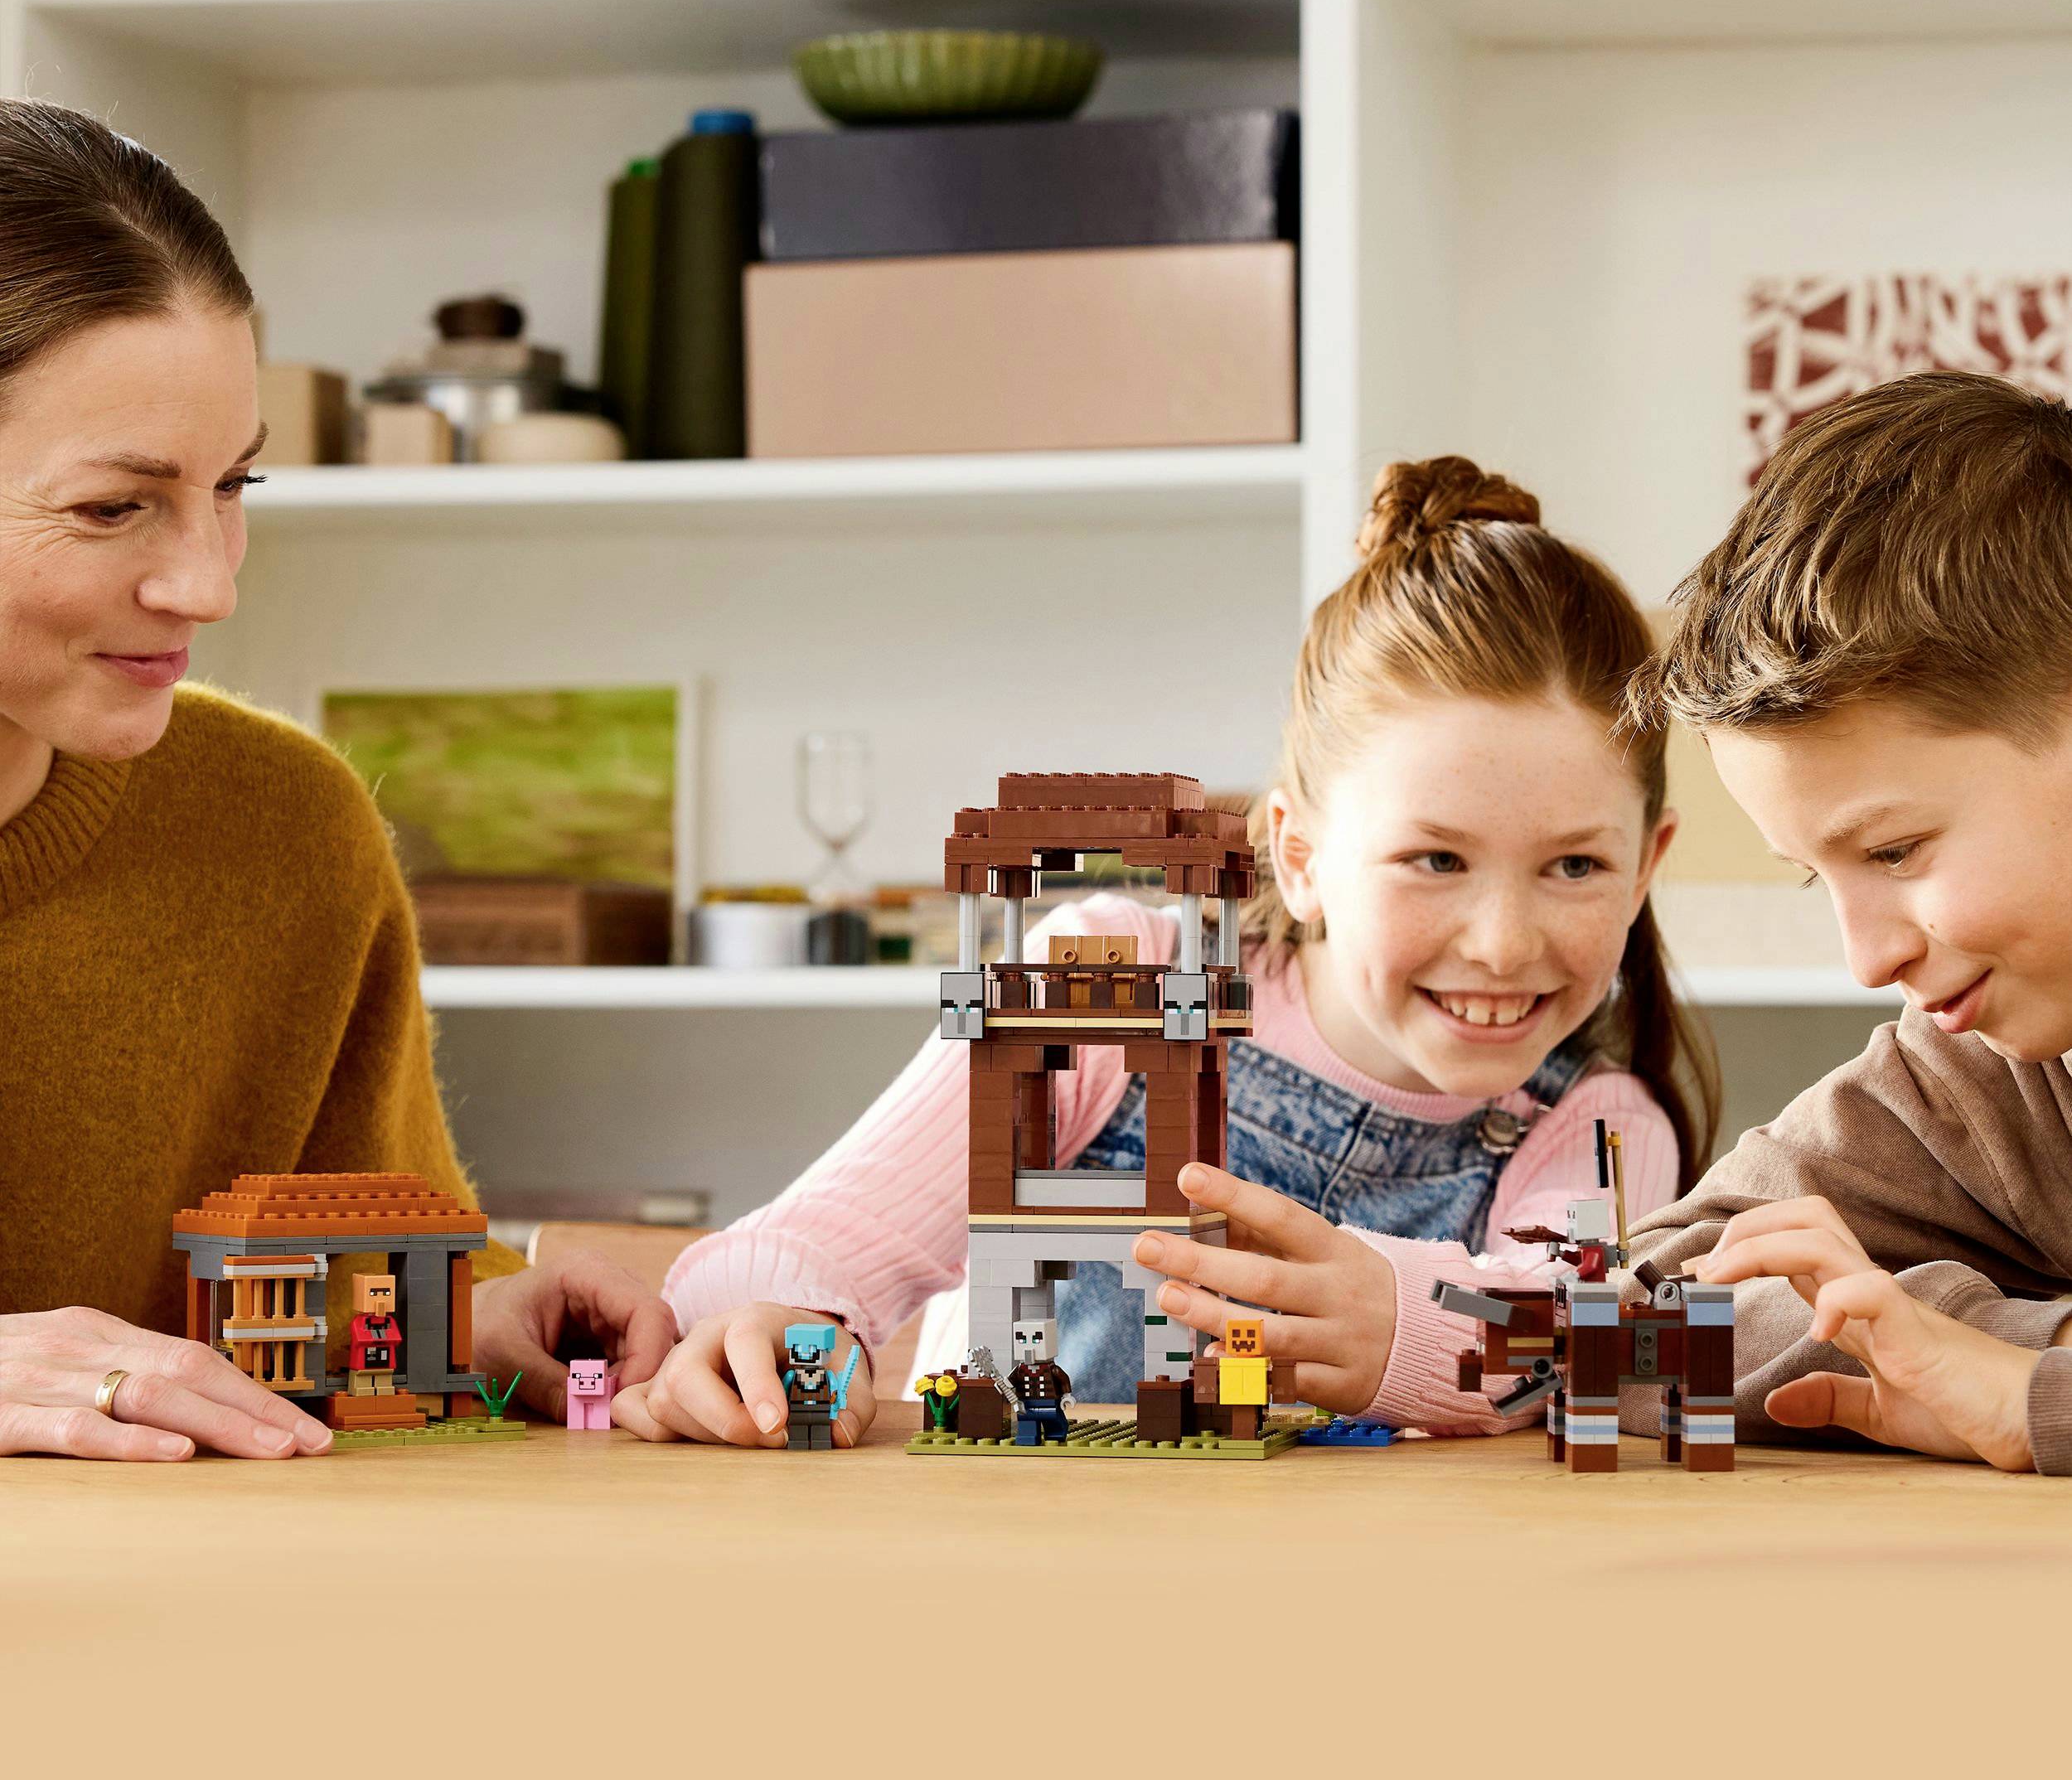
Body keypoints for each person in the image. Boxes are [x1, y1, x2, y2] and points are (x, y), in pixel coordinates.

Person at [613, 456, 1719, 1448]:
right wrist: (782, 1319)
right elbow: (838, 1235)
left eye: (1575, 867)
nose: (1504, 941)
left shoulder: (1602, 1127)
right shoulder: (1111, 983)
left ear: (1647, 861)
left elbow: (1577, 1350)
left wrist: (1400, 1330)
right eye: (1434, 859)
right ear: (1299, 855)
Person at [0, 99, 673, 1459]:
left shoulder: (283, 827)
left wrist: (472, 1321)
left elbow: (350, 1265)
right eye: (113, 505)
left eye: (232, 486)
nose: (208, 584)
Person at [1610, 370, 2072, 1473]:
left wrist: (2029, 1396)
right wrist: (1955, 1349)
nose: (1870, 961)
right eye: (1821, 879)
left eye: (1896, 852)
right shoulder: (1979, 1076)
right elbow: (1637, 1313)